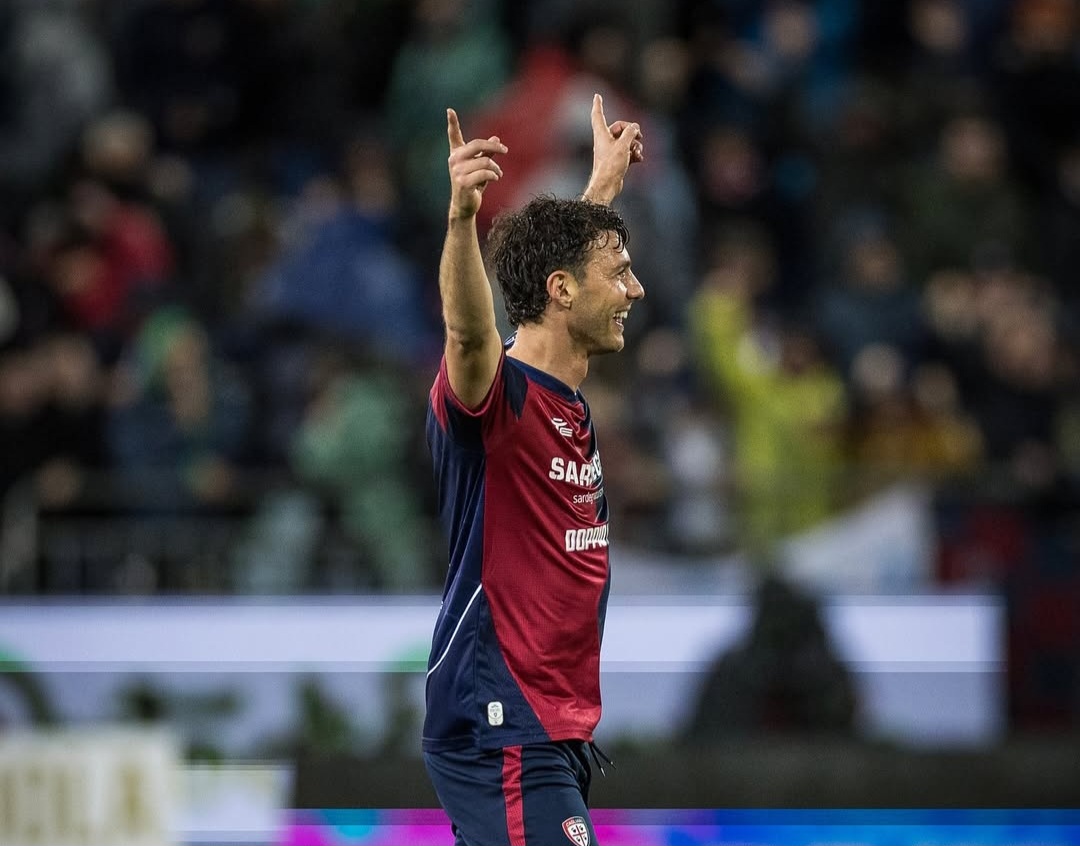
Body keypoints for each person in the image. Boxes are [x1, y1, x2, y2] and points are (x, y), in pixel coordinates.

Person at [422, 94, 644, 846]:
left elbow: (561, 264)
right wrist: (461, 219)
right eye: (621, 273)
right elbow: (467, 332)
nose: (635, 291)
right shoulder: (498, 399)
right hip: (501, 723)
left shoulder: (564, 398)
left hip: (548, 726)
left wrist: (602, 187)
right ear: (562, 290)